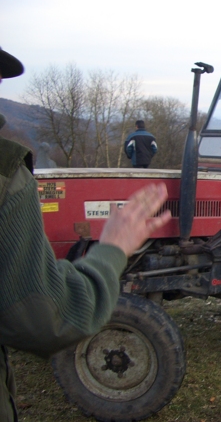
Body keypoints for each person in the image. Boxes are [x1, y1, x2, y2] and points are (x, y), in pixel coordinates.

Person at [0, 46, 172, 422]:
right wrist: (113, 249)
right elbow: (46, 317)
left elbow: (131, 148)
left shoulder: (130, 137)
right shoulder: (6, 175)